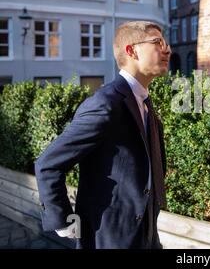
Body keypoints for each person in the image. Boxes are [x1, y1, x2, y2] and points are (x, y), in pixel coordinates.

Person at [35, 21, 171, 249]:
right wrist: (61, 220)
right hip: (108, 239)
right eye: (157, 42)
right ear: (131, 50)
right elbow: (48, 163)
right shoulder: (106, 103)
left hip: (146, 237)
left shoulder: (144, 102)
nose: (167, 49)